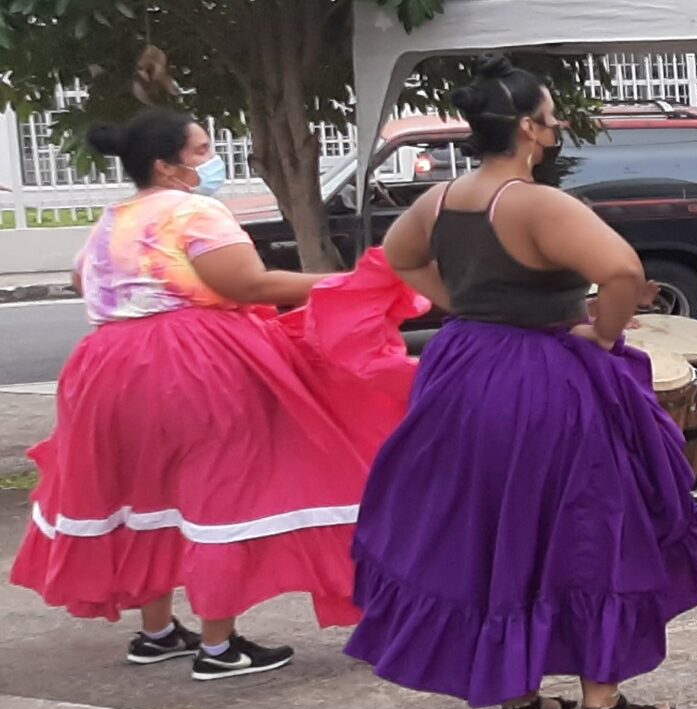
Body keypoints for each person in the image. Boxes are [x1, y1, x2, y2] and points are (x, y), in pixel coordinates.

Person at [346, 61, 697, 709]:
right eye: (550, 115)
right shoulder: (535, 202)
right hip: (542, 378)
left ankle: (519, 695)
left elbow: (400, 255)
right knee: (588, 523)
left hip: (462, 371)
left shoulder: (441, 200)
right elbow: (623, 271)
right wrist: (601, 335)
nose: (558, 125)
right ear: (527, 128)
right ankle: (602, 703)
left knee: (498, 527)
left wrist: (471, 305)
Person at [10, 109, 420, 680]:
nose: (212, 161)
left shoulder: (114, 218)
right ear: (166, 165)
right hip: (191, 364)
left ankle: (156, 632)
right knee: (223, 488)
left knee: (146, 491)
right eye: (201, 151)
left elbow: (85, 281)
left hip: (104, 365)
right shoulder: (194, 211)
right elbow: (247, 283)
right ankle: (218, 646)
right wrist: (345, 283)